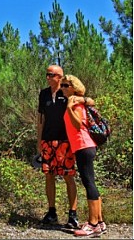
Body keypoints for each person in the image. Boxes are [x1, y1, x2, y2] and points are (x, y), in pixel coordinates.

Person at [37, 65, 89, 229]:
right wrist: (39, 140)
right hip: (47, 140)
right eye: (47, 74)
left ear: (60, 77)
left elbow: (88, 102)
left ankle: (72, 215)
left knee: (68, 177)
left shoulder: (67, 92)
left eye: (51, 75)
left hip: (65, 141)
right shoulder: (44, 93)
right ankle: (51, 212)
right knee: (49, 176)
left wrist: (83, 99)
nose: (48, 77)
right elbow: (41, 118)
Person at [61, 75, 106, 237]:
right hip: (82, 146)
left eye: (66, 85)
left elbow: (78, 124)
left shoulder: (75, 103)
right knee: (91, 182)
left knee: (89, 183)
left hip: (83, 145)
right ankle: (99, 222)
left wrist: (68, 109)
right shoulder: (76, 101)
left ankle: (92, 224)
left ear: (74, 87)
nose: (63, 88)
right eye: (62, 85)